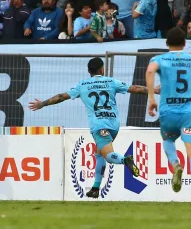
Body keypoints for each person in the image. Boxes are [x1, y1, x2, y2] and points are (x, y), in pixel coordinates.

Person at [28, 57, 161, 199]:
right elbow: (134, 88)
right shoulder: (111, 82)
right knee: (99, 153)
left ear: (88, 71)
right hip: (114, 124)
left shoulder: (83, 85)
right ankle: (96, 188)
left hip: (99, 125)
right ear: (102, 69)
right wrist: (153, 90)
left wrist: (43, 103)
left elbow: (61, 97)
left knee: (108, 155)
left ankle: (125, 160)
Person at [145, 27, 191, 209]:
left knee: (168, 139)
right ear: (185, 43)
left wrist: (151, 98)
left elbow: (150, 71)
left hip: (168, 112)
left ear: (166, 43)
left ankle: (175, 164)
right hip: (189, 114)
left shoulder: (159, 59)